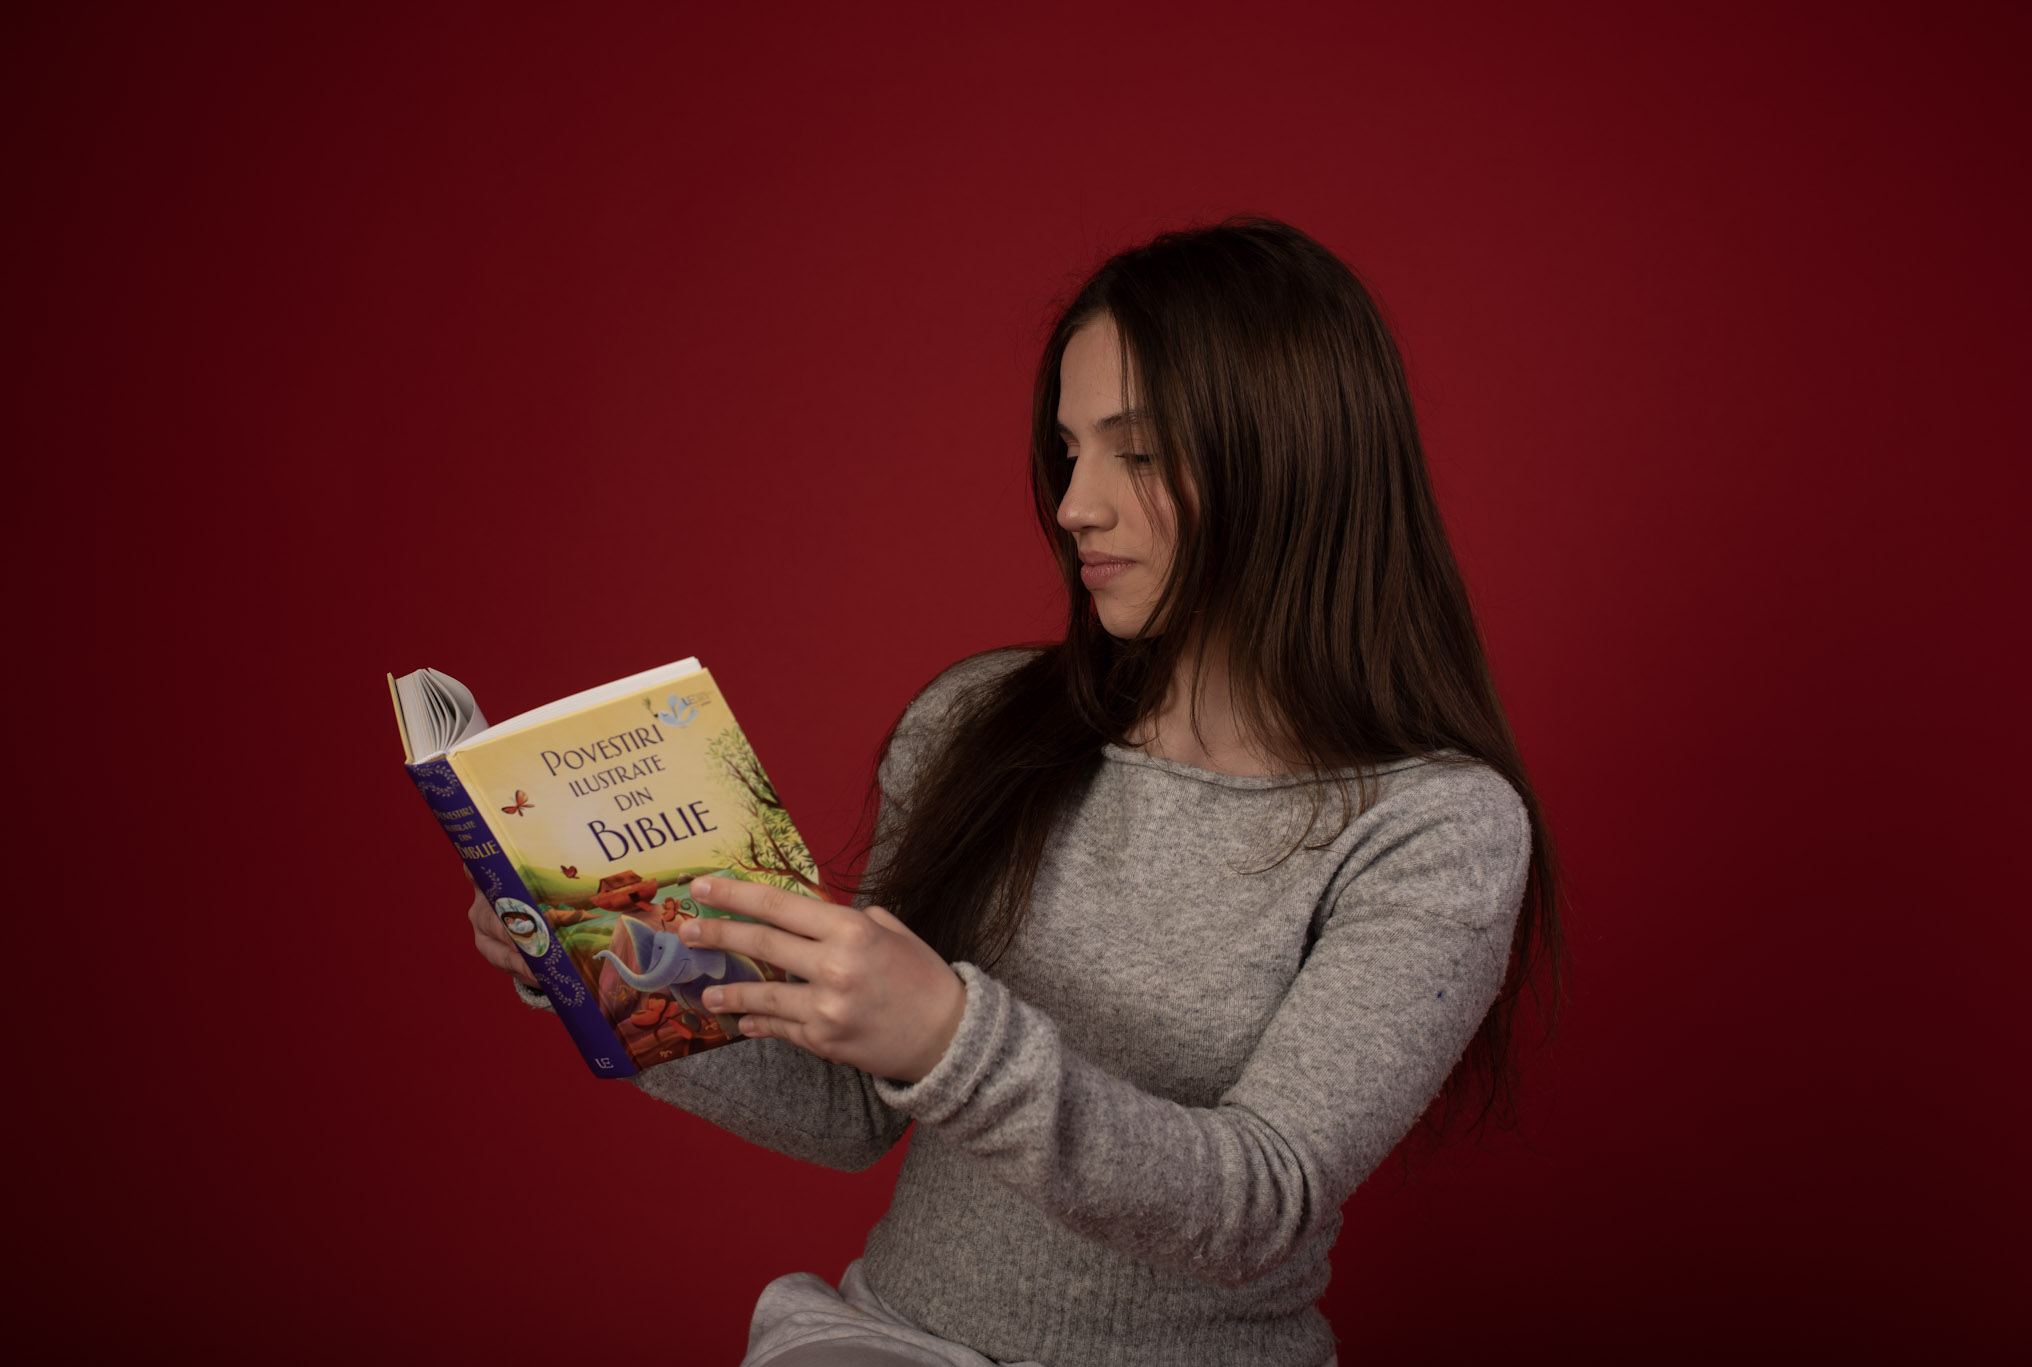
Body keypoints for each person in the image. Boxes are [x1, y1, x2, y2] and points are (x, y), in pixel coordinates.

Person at [470, 216, 1564, 1367]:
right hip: (890, 1342)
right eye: (1067, 451)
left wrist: (954, 1033)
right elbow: (847, 1111)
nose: (1073, 503)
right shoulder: (975, 716)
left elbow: (1258, 1203)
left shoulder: (1433, 827)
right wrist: (593, 960)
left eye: (1137, 453)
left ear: (1291, 460)